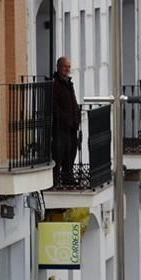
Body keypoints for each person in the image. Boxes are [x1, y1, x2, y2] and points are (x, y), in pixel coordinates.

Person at [49, 56, 80, 186]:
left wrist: (76, 116)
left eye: (68, 67)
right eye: (64, 66)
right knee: (59, 154)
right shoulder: (55, 84)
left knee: (70, 153)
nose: (67, 69)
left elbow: (73, 102)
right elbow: (54, 105)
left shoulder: (69, 83)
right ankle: (55, 181)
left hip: (72, 126)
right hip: (60, 127)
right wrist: (63, 118)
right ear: (58, 67)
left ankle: (68, 178)